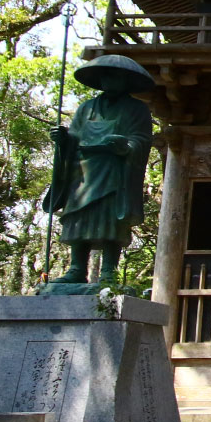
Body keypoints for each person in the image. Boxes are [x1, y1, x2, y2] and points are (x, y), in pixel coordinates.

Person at [42, 55, 154, 286]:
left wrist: (127, 145)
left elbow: (141, 139)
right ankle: (76, 268)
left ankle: (108, 271)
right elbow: (75, 135)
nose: (108, 81)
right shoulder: (87, 108)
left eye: (114, 76)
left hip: (114, 170)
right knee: (78, 217)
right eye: (105, 76)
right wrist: (63, 139)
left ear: (125, 80)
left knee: (111, 218)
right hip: (83, 171)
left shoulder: (136, 109)